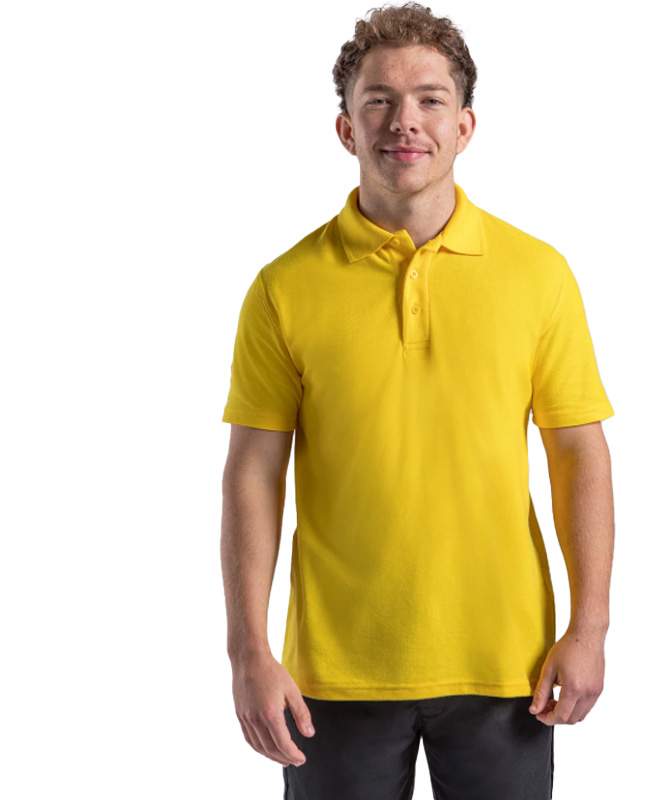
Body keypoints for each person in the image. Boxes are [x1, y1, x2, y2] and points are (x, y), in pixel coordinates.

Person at [220, 3, 615, 798]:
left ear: (464, 126)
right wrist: (248, 653)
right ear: (346, 128)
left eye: (430, 99)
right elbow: (253, 473)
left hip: (507, 664)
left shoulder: (538, 275)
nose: (405, 121)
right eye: (380, 100)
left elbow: (578, 454)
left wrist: (590, 627)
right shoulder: (284, 288)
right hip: (334, 674)